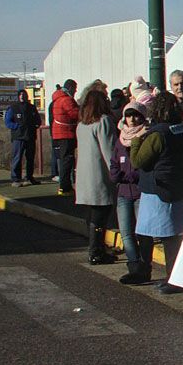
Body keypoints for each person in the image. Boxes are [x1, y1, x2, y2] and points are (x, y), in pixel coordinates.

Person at [130, 92, 183, 295]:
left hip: (157, 188)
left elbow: (139, 161)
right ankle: (172, 275)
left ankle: (156, 274)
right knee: (172, 235)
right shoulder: (181, 130)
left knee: (156, 235)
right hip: (177, 186)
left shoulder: (157, 134)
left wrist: (136, 140)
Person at [75, 89, 118, 265]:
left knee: (92, 215)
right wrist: (116, 174)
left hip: (84, 176)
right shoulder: (104, 122)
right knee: (101, 214)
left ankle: (95, 248)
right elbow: (109, 151)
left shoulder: (82, 125)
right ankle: (97, 251)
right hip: (99, 175)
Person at [111, 101, 146, 284]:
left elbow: (144, 164)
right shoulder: (120, 139)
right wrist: (115, 174)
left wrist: (132, 175)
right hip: (123, 193)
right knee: (126, 232)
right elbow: (114, 162)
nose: (132, 119)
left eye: (136, 115)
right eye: (129, 115)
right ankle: (133, 265)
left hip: (140, 193)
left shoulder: (146, 135)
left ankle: (143, 265)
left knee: (142, 232)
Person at [5, 90, 41, 187]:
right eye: (20, 95)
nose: (22, 96)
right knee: (17, 158)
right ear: (18, 96)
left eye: (24, 94)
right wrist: (16, 126)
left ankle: (29, 177)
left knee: (30, 158)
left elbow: (38, 120)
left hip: (30, 136)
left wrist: (35, 125)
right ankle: (15, 179)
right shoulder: (13, 108)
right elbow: (8, 122)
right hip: (18, 137)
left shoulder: (32, 108)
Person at [50, 79, 80, 196]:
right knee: (67, 159)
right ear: (71, 88)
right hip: (66, 133)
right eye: (75, 88)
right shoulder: (67, 100)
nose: (76, 90)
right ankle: (65, 186)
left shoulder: (57, 99)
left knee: (64, 159)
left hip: (59, 133)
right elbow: (75, 114)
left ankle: (64, 186)